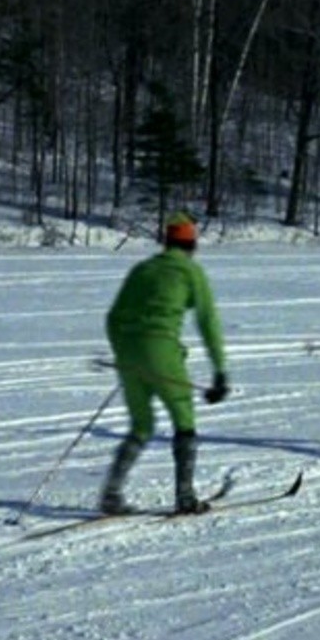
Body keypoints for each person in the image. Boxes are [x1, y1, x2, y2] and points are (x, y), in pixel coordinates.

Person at [99, 212, 230, 516]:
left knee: (141, 425)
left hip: (127, 353)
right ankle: (185, 496)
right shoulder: (190, 271)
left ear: (167, 241)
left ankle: (111, 493)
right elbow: (207, 321)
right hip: (162, 351)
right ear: (191, 245)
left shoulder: (142, 269)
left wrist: (124, 355)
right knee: (184, 420)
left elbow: (112, 317)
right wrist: (220, 372)